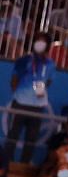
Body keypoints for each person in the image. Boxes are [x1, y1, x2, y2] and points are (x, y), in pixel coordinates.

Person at [4, 36, 53, 167]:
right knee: (12, 136)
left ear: (48, 45)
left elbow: (47, 80)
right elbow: (14, 78)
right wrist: (19, 94)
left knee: (31, 139)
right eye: (38, 40)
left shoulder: (49, 64)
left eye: (43, 41)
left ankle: (23, 166)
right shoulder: (24, 60)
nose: (40, 43)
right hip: (20, 103)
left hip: (38, 106)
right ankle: (5, 164)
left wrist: (39, 90)